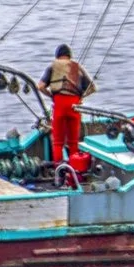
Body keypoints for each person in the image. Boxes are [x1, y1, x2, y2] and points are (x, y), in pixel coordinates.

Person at [41, 43, 94, 172]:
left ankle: (59, 171)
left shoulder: (52, 66)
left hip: (59, 105)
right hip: (74, 106)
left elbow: (41, 86)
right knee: (73, 142)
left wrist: (51, 96)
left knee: (58, 142)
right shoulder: (77, 67)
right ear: (69, 55)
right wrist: (81, 98)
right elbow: (92, 87)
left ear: (57, 55)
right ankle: (75, 171)